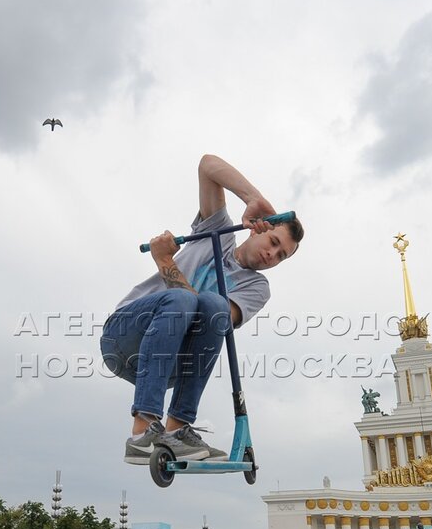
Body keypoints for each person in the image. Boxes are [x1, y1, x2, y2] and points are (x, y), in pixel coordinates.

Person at [101, 154, 304, 464]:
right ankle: (143, 433)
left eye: (282, 256)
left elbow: (214, 319)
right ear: (257, 229)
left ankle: (177, 429)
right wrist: (253, 198)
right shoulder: (217, 231)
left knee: (211, 304)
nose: (272, 255)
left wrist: (166, 262)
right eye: (274, 242)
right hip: (124, 337)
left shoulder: (257, 289)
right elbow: (208, 165)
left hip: (166, 367)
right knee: (185, 300)